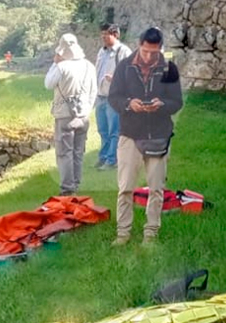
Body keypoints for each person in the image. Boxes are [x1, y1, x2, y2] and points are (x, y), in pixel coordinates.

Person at [108, 27, 183, 245]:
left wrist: (162, 105)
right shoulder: (124, 67)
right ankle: (123, 233)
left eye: (155, 52)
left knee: (156, 188)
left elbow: (177, 102)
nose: (150, 56)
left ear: (161, 48)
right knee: (125, 188)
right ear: (139, 45)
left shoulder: (170, 68)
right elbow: (113, 98)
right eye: (146, 51)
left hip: (159, 134)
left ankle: (151, 233)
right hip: (130, 133)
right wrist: (128, 104)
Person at [44, 33, 97, 196]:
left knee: (64, 152)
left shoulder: (62, 67)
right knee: (78, 152)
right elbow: (93, 91)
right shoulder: (89, 66)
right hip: (83, 115)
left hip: (65, 115)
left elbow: (48, 84)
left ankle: (67, 188)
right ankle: (76, 183)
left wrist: (55, 63)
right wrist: (87, 110)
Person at [94, 23, 132, 170]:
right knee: (103, 130)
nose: (103, 36)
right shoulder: (101, 52)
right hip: (101, 96)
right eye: (102, 33)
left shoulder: (123, 52)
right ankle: (103, 157)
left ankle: (112, 160)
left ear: (116, 35)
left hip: (115, 97)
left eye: (107, 34)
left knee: (114, 130)